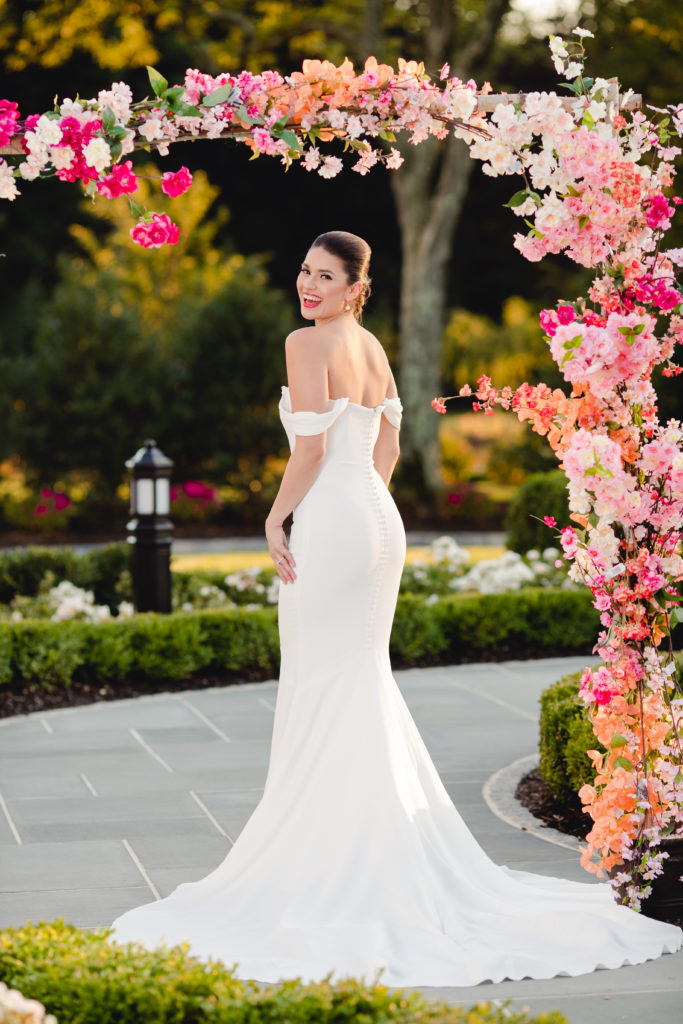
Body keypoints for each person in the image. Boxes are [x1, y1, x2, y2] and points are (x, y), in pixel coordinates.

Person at [110, 230, 682, 986]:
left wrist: (275, 518)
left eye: (323, 276)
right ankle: (365, 843)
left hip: (334, 517)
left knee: (325, 679)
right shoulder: (373, 349)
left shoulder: (305, 344)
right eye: (302, 271)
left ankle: (335, 855)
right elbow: (387, 446)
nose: (306, 286)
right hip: (376, 519)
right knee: (358, 677)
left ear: (354, 286)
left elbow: (309, 453)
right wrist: (362, 499)